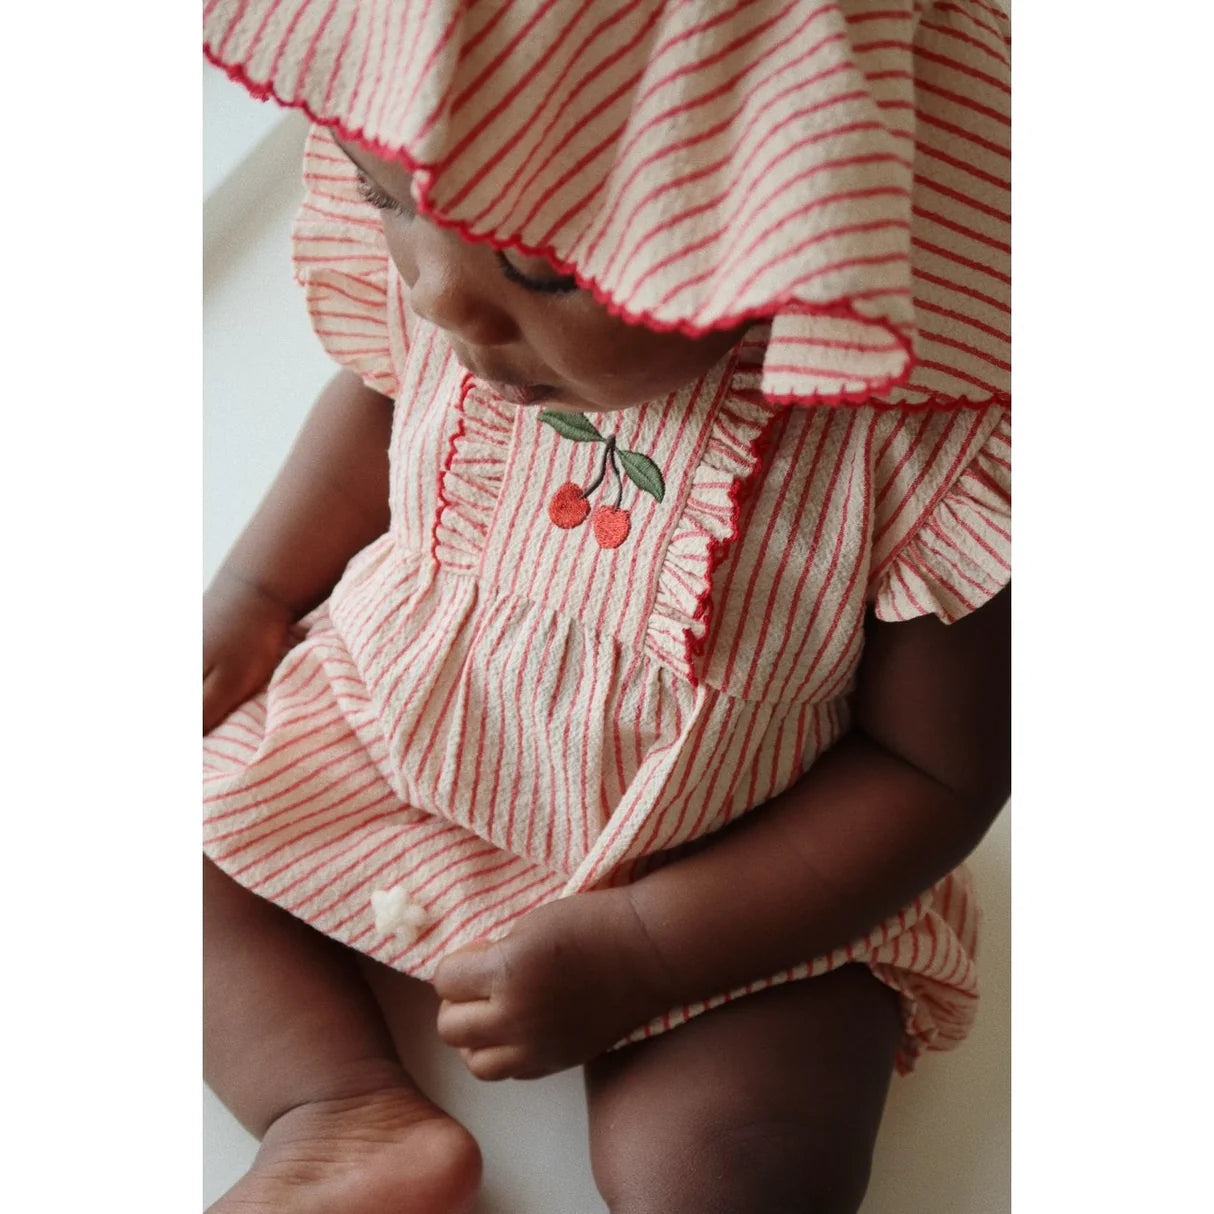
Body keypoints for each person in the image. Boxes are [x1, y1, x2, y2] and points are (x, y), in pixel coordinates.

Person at [202, 1, 1011, 1210]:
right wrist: (255, 593)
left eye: (542, 268)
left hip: (726, 854)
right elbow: (379, 402)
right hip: (385, 735)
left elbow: (933, 773)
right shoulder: (454, 289)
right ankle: (333, 1108)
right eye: (387, 196)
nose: (441, 299)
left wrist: (648, 950)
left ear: (798, 217)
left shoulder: (912, 440)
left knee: (737, 1163)